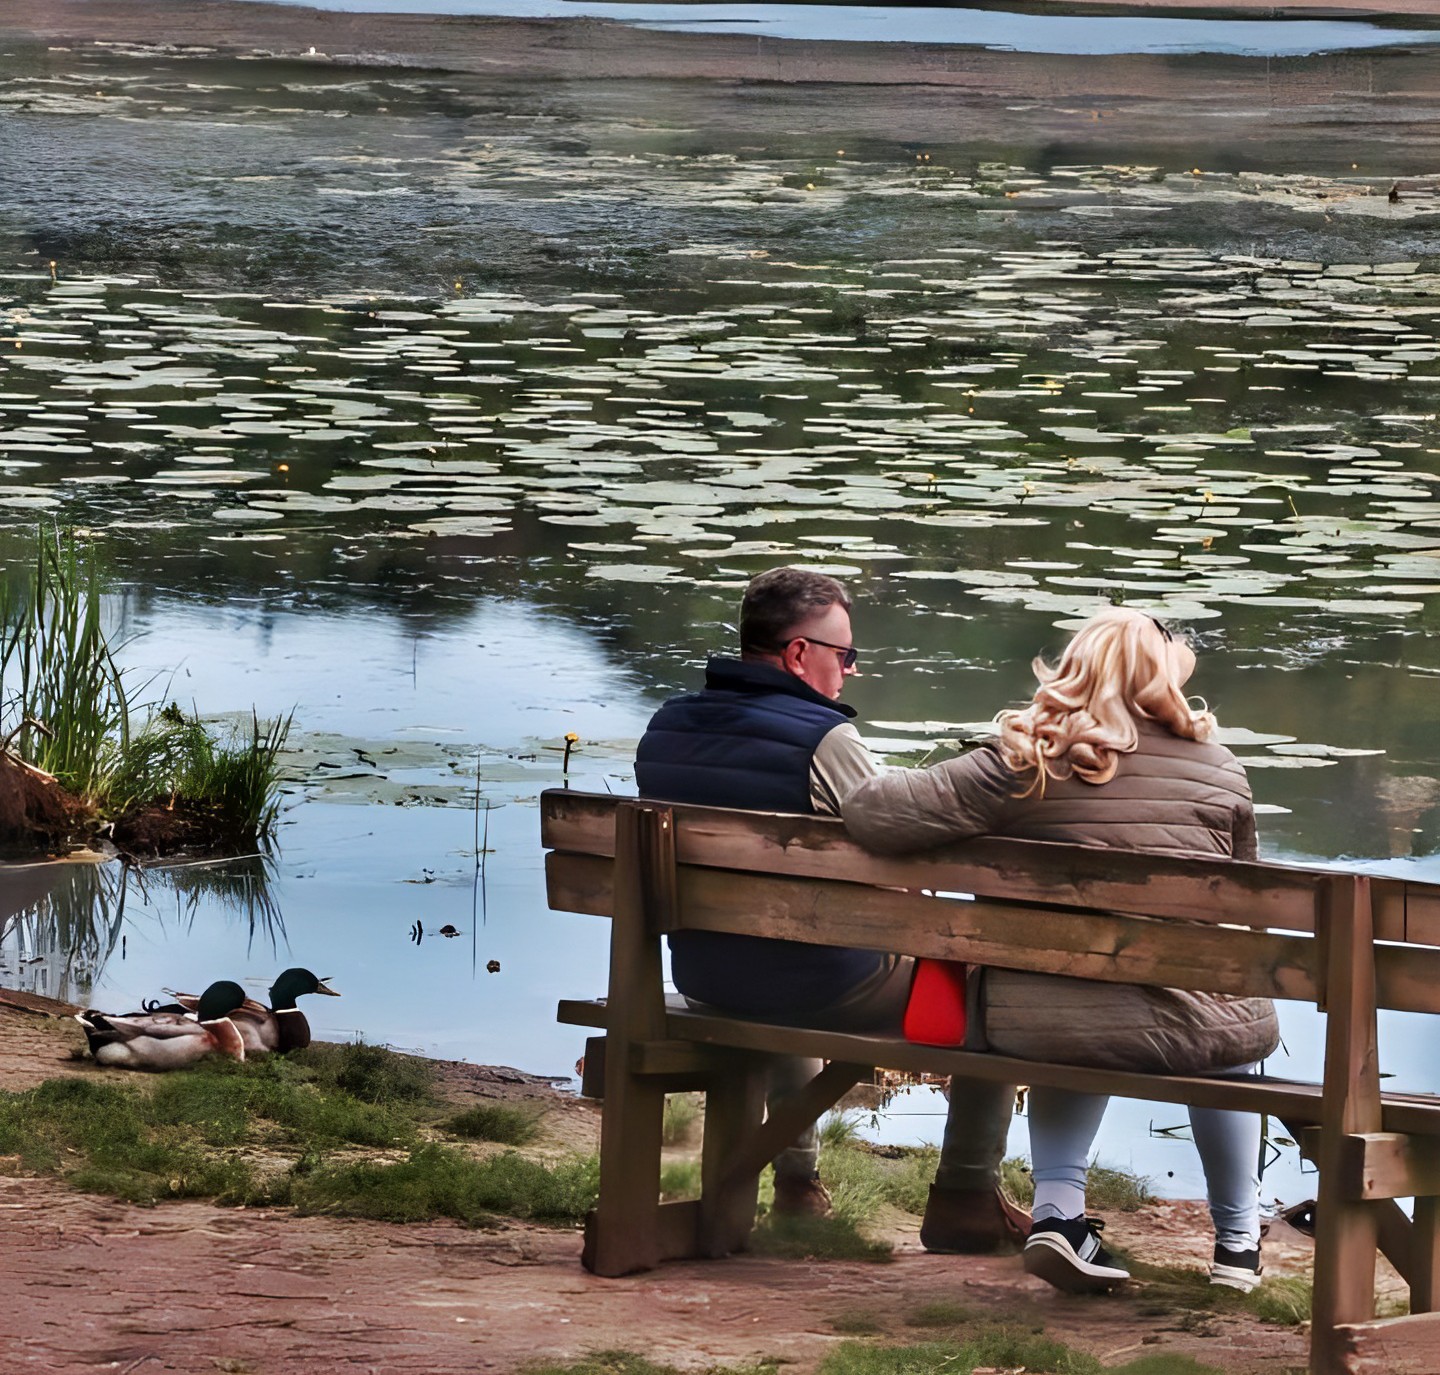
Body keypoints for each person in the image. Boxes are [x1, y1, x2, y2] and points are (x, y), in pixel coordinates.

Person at [842, 606, 1279, 1294]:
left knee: (1077, 998)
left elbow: (872, 812)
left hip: (1040, 1018)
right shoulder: (1221, 772)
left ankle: (1058, 1212)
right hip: (1191, 1025)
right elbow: (1245, 911)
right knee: (1226, 1027)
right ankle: (1238, 1242)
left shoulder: (1023, 762)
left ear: (1075, 672)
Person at [636, 566, 1026, 1249]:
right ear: (797, 653)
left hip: (705, 973)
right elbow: (899, 850)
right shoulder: (827, 743)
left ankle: (796, 1182)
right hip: (820, 985)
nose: (848, 673)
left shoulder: (665, 726)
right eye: (844, 656)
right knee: (992, 990)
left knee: (782, 942)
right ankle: (965, 1192)